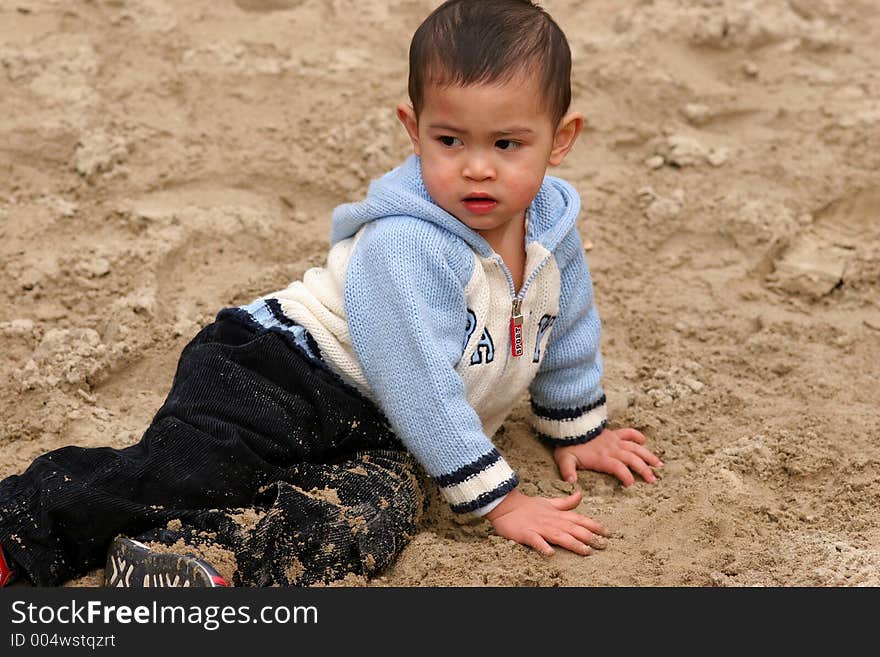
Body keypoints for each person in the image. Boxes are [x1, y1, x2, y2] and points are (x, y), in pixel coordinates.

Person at [0, 0, 661, 588]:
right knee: (190, 470)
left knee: (380, 508)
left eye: (508, 143)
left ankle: (197, 560)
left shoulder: (551, 233)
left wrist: (576, 425)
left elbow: (565, 326)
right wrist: (502, 502)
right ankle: (16, 528)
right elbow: (417, 383)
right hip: (282, 372)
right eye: (450, 140)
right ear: (414, 126)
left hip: (384, 428)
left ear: (561, 139)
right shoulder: (406, 244)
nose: (477, 166)